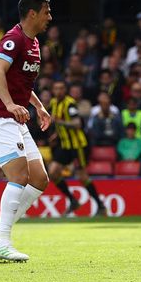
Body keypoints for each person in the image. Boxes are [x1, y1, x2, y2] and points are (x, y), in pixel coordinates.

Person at [0, 0, 53, 261]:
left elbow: (21, 82)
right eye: (46, 11)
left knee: (39, 179)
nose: (50, 17)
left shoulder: (33, 42)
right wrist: (11, 105)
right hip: (0, 119)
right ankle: (3, 242)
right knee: (19, 177)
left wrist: (37, 105)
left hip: (16, 119)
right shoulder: (14, 39)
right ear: (32, 13)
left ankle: (0, 229)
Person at [47, 80, 106, 216]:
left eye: (61, 88)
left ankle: (100, 205)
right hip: (65, 144)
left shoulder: (70, 104)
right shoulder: (54, 103)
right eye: (56, 88)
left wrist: (59, 122)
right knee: (53, 172)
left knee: (82, 176)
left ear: (65, 90)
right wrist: (56, 134)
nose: (59, 91)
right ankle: (72, 200)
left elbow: (77, 123)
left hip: (78, 145)